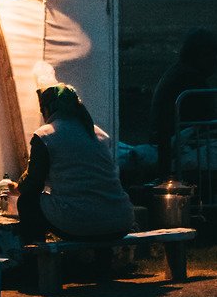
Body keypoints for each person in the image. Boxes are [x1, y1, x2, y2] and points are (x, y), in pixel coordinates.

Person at [15, 84, 135, 242]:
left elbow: (34, 183)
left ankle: (37, 260)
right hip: (120, 219)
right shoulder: (98, 134)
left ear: (47, 109)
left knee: (27, 202)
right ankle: (101, 261)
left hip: (81, 222)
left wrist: (17, 186)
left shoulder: (45, 135)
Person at [151, 28, 217, 178]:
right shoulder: (191, 80)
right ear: (200, 56)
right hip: (175, 147)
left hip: (167, 143)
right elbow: (203, 122)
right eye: (212, 55)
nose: (216, 61)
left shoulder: (180, 73)